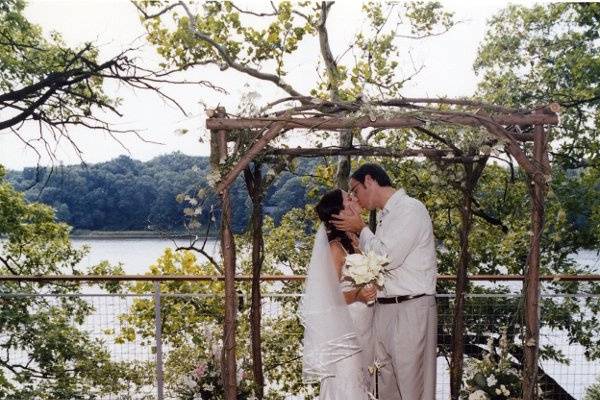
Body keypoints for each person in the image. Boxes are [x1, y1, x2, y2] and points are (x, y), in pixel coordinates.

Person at [332, 163, 438, 400]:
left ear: (369, 180)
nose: (355, 197)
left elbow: (385, 258)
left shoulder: (410, 209)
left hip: (411, 307)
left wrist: (361, 229)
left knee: (412, 386)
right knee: (387, 384)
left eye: (355, 190)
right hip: (386, 308)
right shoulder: (385, 217)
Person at [300, 189, 377, 400]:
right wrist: (359, 296)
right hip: (346, 333)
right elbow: (327, 297)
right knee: (347, 386)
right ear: (339, 213)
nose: (354, 199)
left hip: (366, 327)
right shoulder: (335, 249)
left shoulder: (359, 242)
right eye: (348, 198)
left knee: (364, 383)